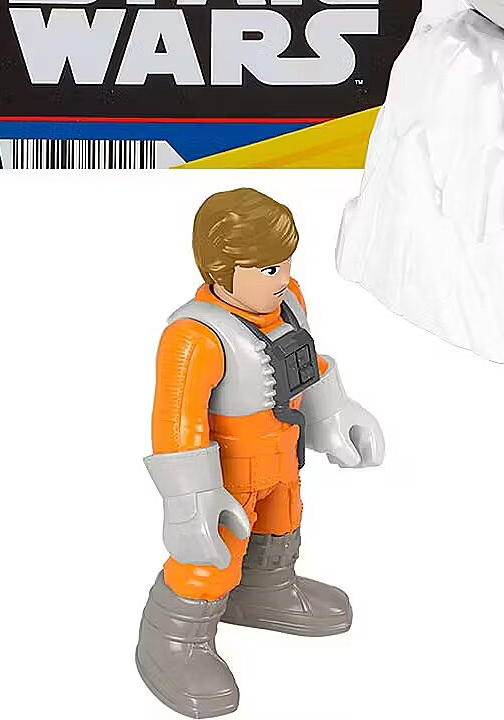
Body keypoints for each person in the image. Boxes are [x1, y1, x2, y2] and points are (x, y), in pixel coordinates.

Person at [136, 188, 385, 716]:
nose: (282, 277)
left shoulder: (290, 301)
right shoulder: (195, 337)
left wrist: (336, 413)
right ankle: (175, 639)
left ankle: (267, 589)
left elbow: (307, 364)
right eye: (268, 268)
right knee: (212, 556)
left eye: (286, 262)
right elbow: (176, 424)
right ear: (223, 271)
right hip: (228, 479)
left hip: (281, 458)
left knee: (283, 524)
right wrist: (193, 501)